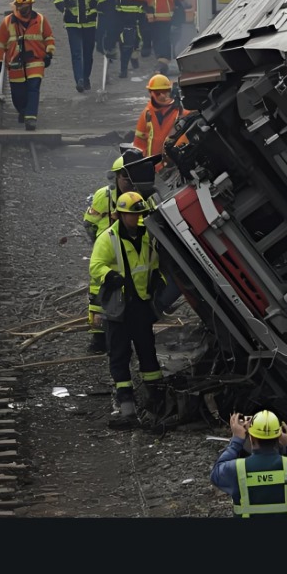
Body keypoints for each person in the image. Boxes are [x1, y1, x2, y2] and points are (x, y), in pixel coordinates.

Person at [90, 189, 168, 427]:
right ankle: (127, 409)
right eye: (133, 215)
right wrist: (109, 276)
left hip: (141, 306)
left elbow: (153, 263)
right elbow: (95, 266)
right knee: (119, 356)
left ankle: (155, 402)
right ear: (121, 215)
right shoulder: (108, 238)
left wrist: (158, 280)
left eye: (140, 214)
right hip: (119, 309)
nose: (137, 219)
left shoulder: (146, 236)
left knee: (148, 354)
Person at [83, 148, 151, 353]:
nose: (127, 182)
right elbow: (90, 222)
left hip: (131, 251)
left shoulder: (141, 197)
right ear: (115, 177)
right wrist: (101, 243)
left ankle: (124, 334)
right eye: (123, 176)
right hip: (108, 250)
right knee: (98, 291)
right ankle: (98, 336)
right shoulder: (103, 196)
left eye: (130, 177)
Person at [209, 410, 287, 518]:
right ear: (278, 436)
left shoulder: (236, 469)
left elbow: (215, 474)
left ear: (251, 437)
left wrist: (236, 440)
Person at [0, 0, 55, 131]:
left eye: (26, 6)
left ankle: (31, 118)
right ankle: (23, 110)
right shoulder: (7, 22)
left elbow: (49, 37)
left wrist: (49, 53)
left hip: (36, 61)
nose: (24, 9)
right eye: (21, 6)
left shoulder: (40, 20)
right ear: (16, 6)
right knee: (18, 94)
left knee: (33, 89)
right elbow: (0, 43)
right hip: (16, 64)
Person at [53, 0, 107, 92]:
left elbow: (104, 0)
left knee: (88, 53)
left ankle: (85, 77)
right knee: (76, 53)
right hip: (73, 25)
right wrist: (65, 10)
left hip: (89, 24)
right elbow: (57, 0)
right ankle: (80, 80)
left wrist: (96, 8)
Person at [133, 74, 190, 165]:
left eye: (165, 91)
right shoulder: (147, 114)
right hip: (152, 166)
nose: (162, 96)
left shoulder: (181, 113)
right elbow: (139, 142)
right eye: (158, 93)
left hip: (173, 167)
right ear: (150, 93)